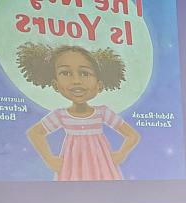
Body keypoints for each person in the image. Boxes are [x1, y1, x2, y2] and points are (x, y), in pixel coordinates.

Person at [17, 43, 140, 180]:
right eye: (66, 73)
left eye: (84, 73)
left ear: (99, 85)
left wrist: (121, 154)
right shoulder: (61, 115)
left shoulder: (102, 112)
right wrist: (50, 159)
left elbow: (132, 135)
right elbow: (35, 133)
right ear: (56, 85)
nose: (76, 81)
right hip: (72, 167)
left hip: (102, 166)